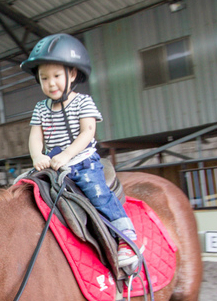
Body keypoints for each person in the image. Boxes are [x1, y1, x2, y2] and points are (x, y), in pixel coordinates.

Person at [21, 33, 144, 271]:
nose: (51, 83)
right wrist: (37, 156)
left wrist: (66, 155)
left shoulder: (83, 102)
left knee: (96, 192)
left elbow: (88, 132)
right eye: (44, 78)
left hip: (81, 163)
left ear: (73, 74)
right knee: (23, 188)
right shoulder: (40, 108)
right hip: (52, 165)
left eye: (57, 76)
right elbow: (36, 135)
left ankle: (126, 237)